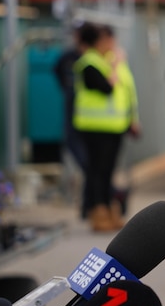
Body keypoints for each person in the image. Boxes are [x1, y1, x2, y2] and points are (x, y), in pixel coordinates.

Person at [72, 23, 140, 232]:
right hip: (94, 128)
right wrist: (114, 65)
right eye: (105, 41)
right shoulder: (89, 63)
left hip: (115, 127)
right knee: (97, 171)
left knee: (108, 171)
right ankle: (97, 211)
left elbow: (128, 92)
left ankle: (111, 211)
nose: (110, 45)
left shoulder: (114, 62)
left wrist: (133, 120)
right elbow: (107, 88)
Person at [53, 21, 90, 217]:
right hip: (75, 116)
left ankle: (95, 205)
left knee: (90, 165)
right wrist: (67, 88)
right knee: (86, 163)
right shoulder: (69, 57)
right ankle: (90, 206)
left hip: (90, 121)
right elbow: (57, 69)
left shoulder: (91, 58)